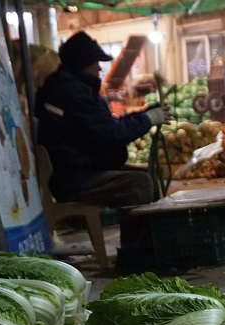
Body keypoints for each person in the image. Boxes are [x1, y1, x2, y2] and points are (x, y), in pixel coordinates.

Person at [34, 31, 171, 208]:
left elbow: (106, 124)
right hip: (76, 180)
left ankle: (148, 233)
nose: (99, 69)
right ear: (82, 64)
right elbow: (112, 133)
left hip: (86, 170)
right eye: (95, 63)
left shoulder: (75, 88)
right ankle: (137, 235)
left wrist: (144, 114)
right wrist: (147, 119)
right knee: (139, 183)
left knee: (147, 175)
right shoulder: (70, 92)